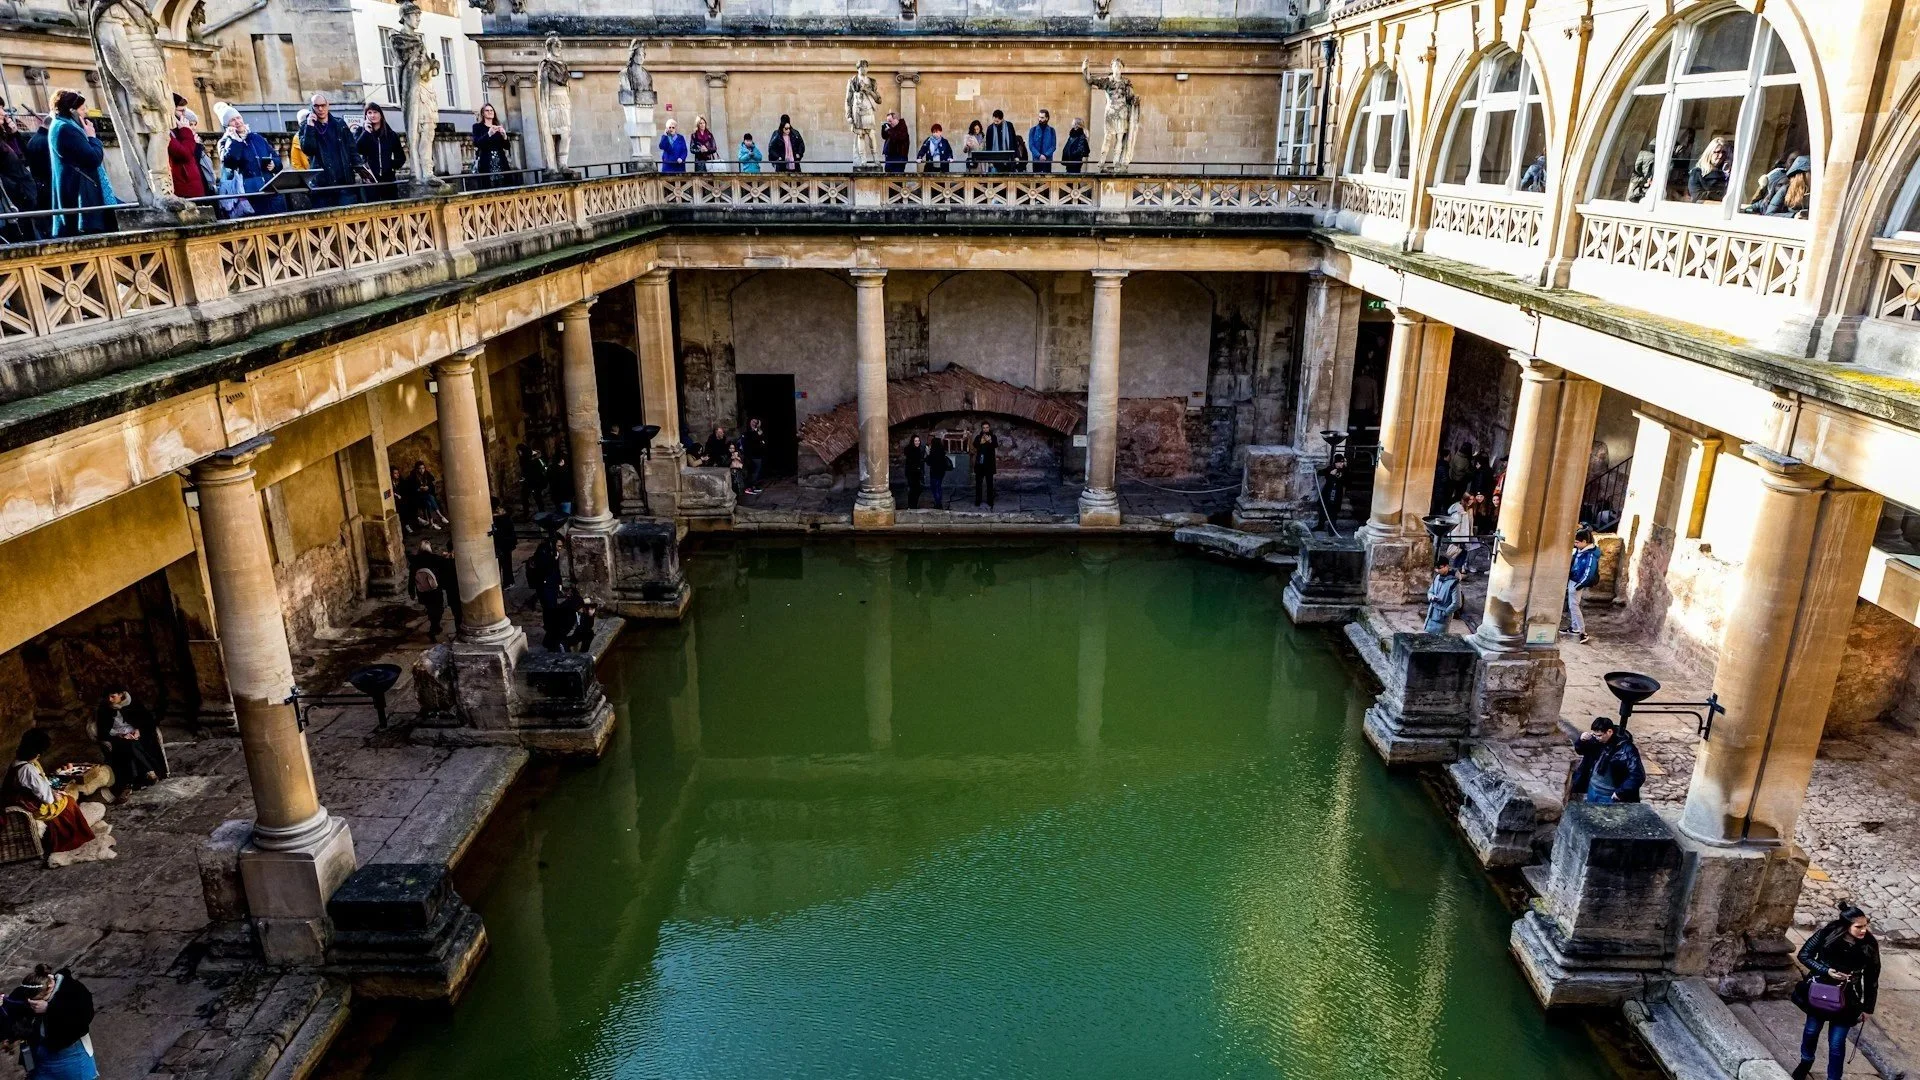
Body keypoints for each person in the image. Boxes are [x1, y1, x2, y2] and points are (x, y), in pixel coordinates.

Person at [1792, 901, 1880, 1080]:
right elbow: (1804, 955)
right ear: (1846, 926)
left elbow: (1872, 978)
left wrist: (1868, 1008)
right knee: (1811, 1032)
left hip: (1848, 998)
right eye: (1859, 927)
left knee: (1837, 1044)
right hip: (1821, 991)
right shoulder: (1827, 933)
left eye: (1866, 925)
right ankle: (1806, 1061)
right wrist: (1826, 970)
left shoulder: (1869, 944)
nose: (1864, 930)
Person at [2, 731, 95, 864]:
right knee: (68, 802)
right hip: (29, 805)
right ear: (37, 752)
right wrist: (55, 794)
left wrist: (51, 791)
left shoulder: (17, 762)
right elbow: (47, 798)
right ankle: (70, 838)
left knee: (64, 797)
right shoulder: (28, 769)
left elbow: (38, 788)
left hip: (21, 799)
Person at [5, 964, 98, 1080]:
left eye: (39, 1000)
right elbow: (11, 1013)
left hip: (69, 1055)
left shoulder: (74, 990)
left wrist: (49, 1008)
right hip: (38, 1055)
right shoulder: (27, 990)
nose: (34, 1004)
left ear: (50, 986)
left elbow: (82, 1020)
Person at [46, 90, 111, 237]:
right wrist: (92, 138)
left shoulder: (61, 125)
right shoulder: (66, 128)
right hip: (81, 197)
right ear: (72, 110)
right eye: (82, 109)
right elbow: (93, 158)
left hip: (77, 194)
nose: (86, 112)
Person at [215, 102, 283, 216]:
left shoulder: (256, 137)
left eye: (238, 118)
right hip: (248, 195)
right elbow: (229, 162)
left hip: (270, 189)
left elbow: (277, 159)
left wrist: (274, 164)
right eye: (232, 120)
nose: (237, 122)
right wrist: (235, 140)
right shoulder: (224, 142)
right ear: (227, 125)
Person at [94, 690, 165, 793]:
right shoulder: (104, 708)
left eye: (113, 696)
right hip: (118, 737)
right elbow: (103, 730)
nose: (110, 700)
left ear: (121, 694)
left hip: (136, 734)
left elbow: (148, 720)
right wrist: (120, 735)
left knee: (134, 744)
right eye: (108, 697)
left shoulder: (133, 703)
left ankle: (138, 777)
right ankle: (149, 771)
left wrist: (138, 730)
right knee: (129, 745)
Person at [298, 93, 361, 207]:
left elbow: (352, 150)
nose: (320, 109)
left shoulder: (339, 124)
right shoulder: (306, 127)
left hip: (344, 183)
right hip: (322, 186)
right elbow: (308, 149)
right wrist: (310, 127)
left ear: (328, 105)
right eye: (316, 106)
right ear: (312, 108)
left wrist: (362, 171)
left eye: (323, 105)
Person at [1571, 717, 1643, 804]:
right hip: (1592, 788)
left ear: (1609, 732)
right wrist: (1581, 741)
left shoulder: (1627, 749)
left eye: (1599, 735)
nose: (1597, 738)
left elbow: (1637, 775)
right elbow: (1581, 751)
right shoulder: (1596, 740)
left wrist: (1620, 792)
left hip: (1610, 795)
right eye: (1594, 735)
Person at [0, 108, 43, 243]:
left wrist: (14, 135)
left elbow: (23, 158)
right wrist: (19, 190)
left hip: (21, 200)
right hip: (14, 203)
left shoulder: (4, 138)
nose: (4, 113)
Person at [355, 103, 406, 199]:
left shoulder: (391, 134)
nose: (372, 115)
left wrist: (390, 166)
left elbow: (401, 157)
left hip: (388, 181)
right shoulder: (360, 132)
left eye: (375, 112)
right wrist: (366, 132)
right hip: (370, 181)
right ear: (366, 115)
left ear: (381, 115)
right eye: (369, 112)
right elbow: (357, 150)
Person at [165, 97, 210, 206]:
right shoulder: (168, 132)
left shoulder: (179, 131)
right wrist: (186, 131)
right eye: (181, 111)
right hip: (183, 189)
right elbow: (184, 154)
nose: (184, 115)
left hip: (194, 187)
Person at [410, 542, 449, 640]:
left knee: (430, 608)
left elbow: (411, 578)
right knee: (439, 608)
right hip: (435, 589)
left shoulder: (415, 561)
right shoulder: (435, 558)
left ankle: (434, 626)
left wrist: (411, 592)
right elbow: (445, 569)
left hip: (422, 590)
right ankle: (435, 627)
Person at [1567, 528, 1599, 644]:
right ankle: (1574, 628)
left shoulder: (1590, 555)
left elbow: (1589, 573)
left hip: (1577, 583)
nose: (1575, 544)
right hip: (1573, 580)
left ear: (1584, 541)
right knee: (1572, 606)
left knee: (1574, 606)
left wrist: (1578, 586)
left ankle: (1582, 632)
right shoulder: (1580, 551)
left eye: (1577, 542)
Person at [471, 103, 511, 187]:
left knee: (504, 186)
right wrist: (489, 134)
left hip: (501, 161)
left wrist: (504, 135)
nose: (490, 112)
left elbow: (507, 147)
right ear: (483, 113)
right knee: (488, 186)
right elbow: (477, 143)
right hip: (486, 162)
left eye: (491, 110)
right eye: (487, 110)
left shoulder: (498, 126)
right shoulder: (477, 127)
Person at [1423, 556, 1462, 634]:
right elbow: (1430, 591)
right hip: (1431, 613)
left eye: (1440, 568)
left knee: (1439, 640)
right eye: (1436, 568)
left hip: (1442, 617)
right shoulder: (1437, 577)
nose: (1438, 570)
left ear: (1447, 566)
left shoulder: (1454, 583)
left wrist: (1445, 613)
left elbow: (1457, 603)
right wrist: (1431, 597)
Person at [1687, 136, 1731, 203]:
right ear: (1710, 153)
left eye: (1723, 152)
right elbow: (1697, 196)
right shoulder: (1697, 173)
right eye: (1717, 152)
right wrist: (1717, 194)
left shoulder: (1725, 173)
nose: (1721, 155)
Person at [527, 535, 563, 614]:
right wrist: (553, 560)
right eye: (558, 546)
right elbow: (544, 569)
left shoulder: (555, 553)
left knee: (553, 604)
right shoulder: (542, 552)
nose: (560, 549)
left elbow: (557, 569)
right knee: (548, 606)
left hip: (552, 583)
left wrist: (559, 582)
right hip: (543, 583)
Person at [409, 460, 449, 528]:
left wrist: (428, 487)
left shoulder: (427, 474)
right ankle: (441, 516)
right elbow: (412, 489)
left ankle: (432, 523)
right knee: (430, 498)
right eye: (420, 468)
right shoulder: (413, 476)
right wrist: (419, 489)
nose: (422, 470)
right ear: (417, 469)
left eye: (423, 468)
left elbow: (432, 485)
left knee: (429, 502)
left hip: (426, 495)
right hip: (418, 497)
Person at [1319, 453, 1348, 530]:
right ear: (1336, 462)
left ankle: (1331, 528)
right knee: (1322, 508)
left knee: (1333, 511)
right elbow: (1321, 473)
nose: (1342, 464)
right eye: (1340, 462)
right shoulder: (1330, 468)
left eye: (1342, 462)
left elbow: (1345, 481)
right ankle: (1320, 526)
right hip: (1327, 492)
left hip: (1337, 493)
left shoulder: (1344, 470)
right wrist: (1330, 474)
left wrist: (1335, 475)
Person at [490, 500, 516, 586]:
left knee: (505, 565)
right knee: (506, 565)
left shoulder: (504, 520)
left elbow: (502, 533)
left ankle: (508, 582)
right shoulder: (504, 519)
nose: (498, 509)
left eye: (501, 509)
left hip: (504, 546)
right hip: (506, 546)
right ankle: (508, 582)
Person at [518, 443, 550, 512]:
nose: (519, 453)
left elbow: (537, 470)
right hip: (530, 481)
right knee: (525, 497)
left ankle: (541, 512)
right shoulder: (523, 458)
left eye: (520, 451)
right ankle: (527, 511)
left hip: (535, 481)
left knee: (537, 497)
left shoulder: (532, 458)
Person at [972, 423, 998, 508]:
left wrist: (990, 441)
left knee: (989, 484)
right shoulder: (978, 437)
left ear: (989, 428)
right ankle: (977, 500)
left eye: (987, 427)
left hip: (989, 465)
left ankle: (990, 501)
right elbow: (975, 445)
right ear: (982, 429)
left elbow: (995, 445)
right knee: (978, 484)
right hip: (980, 464)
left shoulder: (993, 437)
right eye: (984, 428)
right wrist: (981, 442)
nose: (985, 429)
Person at [1026, 109, 1058, 173]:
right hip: (1036, 160)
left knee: (1047, 180)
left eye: (1042, 117)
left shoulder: (1052, 130)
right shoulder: (1033, 130)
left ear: (1047, 118)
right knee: (1036, 180)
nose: (1040, 119)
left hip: (1047, 160)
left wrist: (1045, 155)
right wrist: (1039, 155)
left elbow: (1053, 146)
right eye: (1039, 117)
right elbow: (1031, 145)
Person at [742, 417, 767, 493]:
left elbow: (763, 441)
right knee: (753, 472)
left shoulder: (759, 431)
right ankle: (750, 487)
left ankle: (754, 486)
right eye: (752, 422)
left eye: (756, 422)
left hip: (759, 454)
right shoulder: (749, 433)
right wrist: (757, 434)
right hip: (752, 455)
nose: (754, 423)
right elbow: (753, 441)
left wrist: (759, 435)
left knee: (757, 471)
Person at [903, 435, 927, 509]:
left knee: (917, 490)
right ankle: (911, 506)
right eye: (916, 441)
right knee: (913, 490)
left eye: (918, 441)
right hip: (912, 473)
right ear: (913, 442)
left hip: (917, 473)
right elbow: (911, 463)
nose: (917, 442)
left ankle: (913, 505)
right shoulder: (911, 450)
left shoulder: (919, 450)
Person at [927, 438, 951, 509]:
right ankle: (939, 503)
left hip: (934, 472)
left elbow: (929, 462)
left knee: (935, 488)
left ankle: (938, 504)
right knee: (938, 487)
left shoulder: (933, 452)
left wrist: (928, 454)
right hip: (941, 472)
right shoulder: (942, 451)